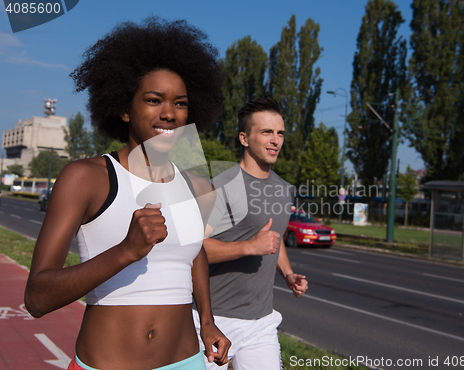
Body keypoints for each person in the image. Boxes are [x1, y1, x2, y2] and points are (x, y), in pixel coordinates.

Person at [24, 18, 230, 370]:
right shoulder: (86, 178)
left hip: (187, 362)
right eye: (154, 100)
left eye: (180, 103)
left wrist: (207, 319)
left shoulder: (198, 186)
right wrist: (126, 251)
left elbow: (193, 253)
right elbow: (37, 298)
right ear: (123, 107)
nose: (169, 113)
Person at [193, 96, 308, 370]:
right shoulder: (221, 186)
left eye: (280, 133)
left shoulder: (284, 189)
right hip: (212, 319)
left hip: (260, 322)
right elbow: (194, 248)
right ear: (244, 138)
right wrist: (248, 247)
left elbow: (274, 237)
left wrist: (288, 274)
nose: (275, 140)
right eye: (266, 132)